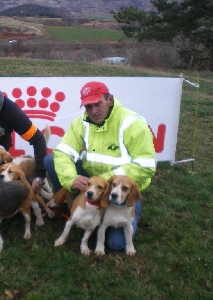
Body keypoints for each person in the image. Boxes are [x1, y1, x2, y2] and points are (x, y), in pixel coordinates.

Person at [44, 81, 156, 251]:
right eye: (88, 107)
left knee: (116, 244)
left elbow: (145, 166)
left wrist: (104, 182)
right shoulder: (81, 122)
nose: (93, 111)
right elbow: (62, 153)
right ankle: (75, 204)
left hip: (121, 189)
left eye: (98, 104)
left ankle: (133, 206)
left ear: (109, 99)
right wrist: (72, 179)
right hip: (93, 181)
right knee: (51, 160)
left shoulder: (132, 123)